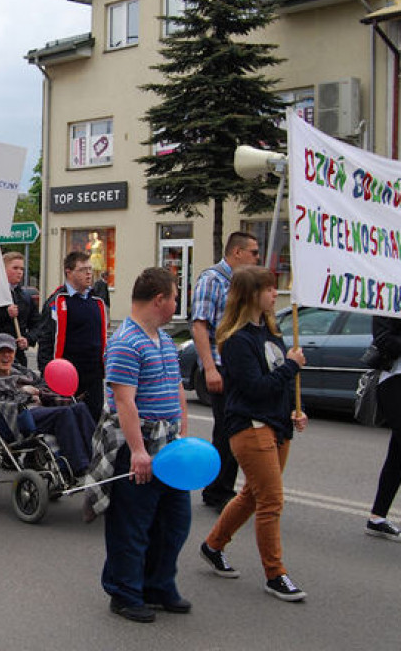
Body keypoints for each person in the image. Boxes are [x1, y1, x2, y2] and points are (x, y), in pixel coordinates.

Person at [199, 266, 309, 602]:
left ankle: (213, 545)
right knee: (271, 501)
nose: (276, 294)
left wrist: (295, 409)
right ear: (251, 294)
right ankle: (275, 574)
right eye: (269, 289)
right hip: (249, 426)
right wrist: (291, 366)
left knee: (251, 495)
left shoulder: (272, 335)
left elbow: (279, 383)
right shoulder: (235, 340)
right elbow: (255, 388)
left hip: (277, 425)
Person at [96, 267, 190, 623]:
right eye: (175, 297)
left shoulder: (164, 339)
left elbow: (178, 387)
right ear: (159, 300)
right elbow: (124, 402)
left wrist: (182, 429)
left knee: (174, 521)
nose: (178, 303)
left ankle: (158, 585)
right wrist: (138, 451)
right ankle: (124, 592)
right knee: (132, 525)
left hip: (169, 444)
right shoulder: (126, 341)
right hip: (141, 443)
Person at [192, 231, 262, 509]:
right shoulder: (212, 280)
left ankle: (227, 487)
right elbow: (200, 326)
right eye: (254, 252)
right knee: (226, 431)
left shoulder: (245, 284)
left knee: (241, 429)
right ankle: (216, 491)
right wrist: (209, 368)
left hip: (242, 368)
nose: (257, 257)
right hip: (222, 367)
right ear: (237, 253)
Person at [0, 333, 95, 475]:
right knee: (64, 413)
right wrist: (25, 393)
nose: (6, 356)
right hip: (19, 418)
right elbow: (1, 402)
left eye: (10, 351)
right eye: (0, 352)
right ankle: (77, 466)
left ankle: (96, 455)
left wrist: (39, 393)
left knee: (79, 407)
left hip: (38, 409)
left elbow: (42, 382)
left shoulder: (20, 371)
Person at [38, 251, 107, 422]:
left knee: (94, 420)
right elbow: (46, 339)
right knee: (71, 423)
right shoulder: (58, 301)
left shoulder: (97, 301)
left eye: (90, 269)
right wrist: (47, 374)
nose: (89, 274)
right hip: (67, 376)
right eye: (83, 269)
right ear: (69, 272)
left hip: (94, 376)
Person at [365, 315, 401, 540]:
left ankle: (377, 517)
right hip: (394, 383)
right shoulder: (389, 300)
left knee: (397, 456)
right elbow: (383, 339)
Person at [0, 252, 40, 368]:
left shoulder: (25, 297)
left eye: (21, 269)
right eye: (15, 268)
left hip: (18, 356)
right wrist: (5, 314)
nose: (19, 272)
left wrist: (28, 339)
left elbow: (37, 325)